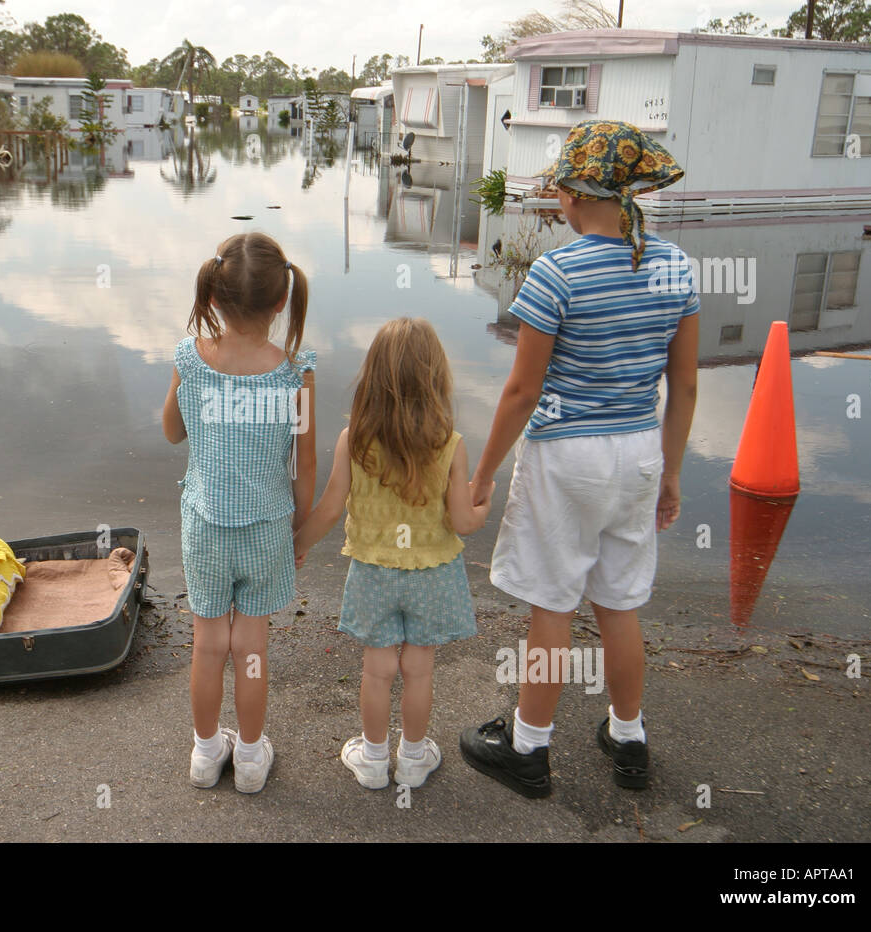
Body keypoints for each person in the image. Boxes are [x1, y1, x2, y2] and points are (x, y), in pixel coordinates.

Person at [459, 120, 699, 798]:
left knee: (554, 607)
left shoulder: (555, 273)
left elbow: (521, 391)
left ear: (572, 194)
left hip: (569, 457)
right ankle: (629, 740)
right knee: (620, 603)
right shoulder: (676, 266)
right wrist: (672, 473)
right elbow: (683, 385)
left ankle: (529, 749)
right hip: (639, 452)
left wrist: (483, 476)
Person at [293, 318, 491, 789]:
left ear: (373, 378)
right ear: (435, 378)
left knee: (378, 669)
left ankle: (375, 760)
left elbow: (328, 508)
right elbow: (463, 522)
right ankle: (416, 758)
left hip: (375, 573)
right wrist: (484, 504)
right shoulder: (451, 445)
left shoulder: (354, 442)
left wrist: (297, 545)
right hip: (432, 573)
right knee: (419, 670)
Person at [162, 231, 315, 794]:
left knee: (207, 643)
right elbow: (305, 459)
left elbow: (173, 432)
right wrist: (298, 528)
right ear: (282, 302)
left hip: (205, 524)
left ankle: (206, 755)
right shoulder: (294, 373)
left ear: (214, 297)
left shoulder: (191, 358)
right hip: (267, 525)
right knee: (250, 646)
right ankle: (250, 760)